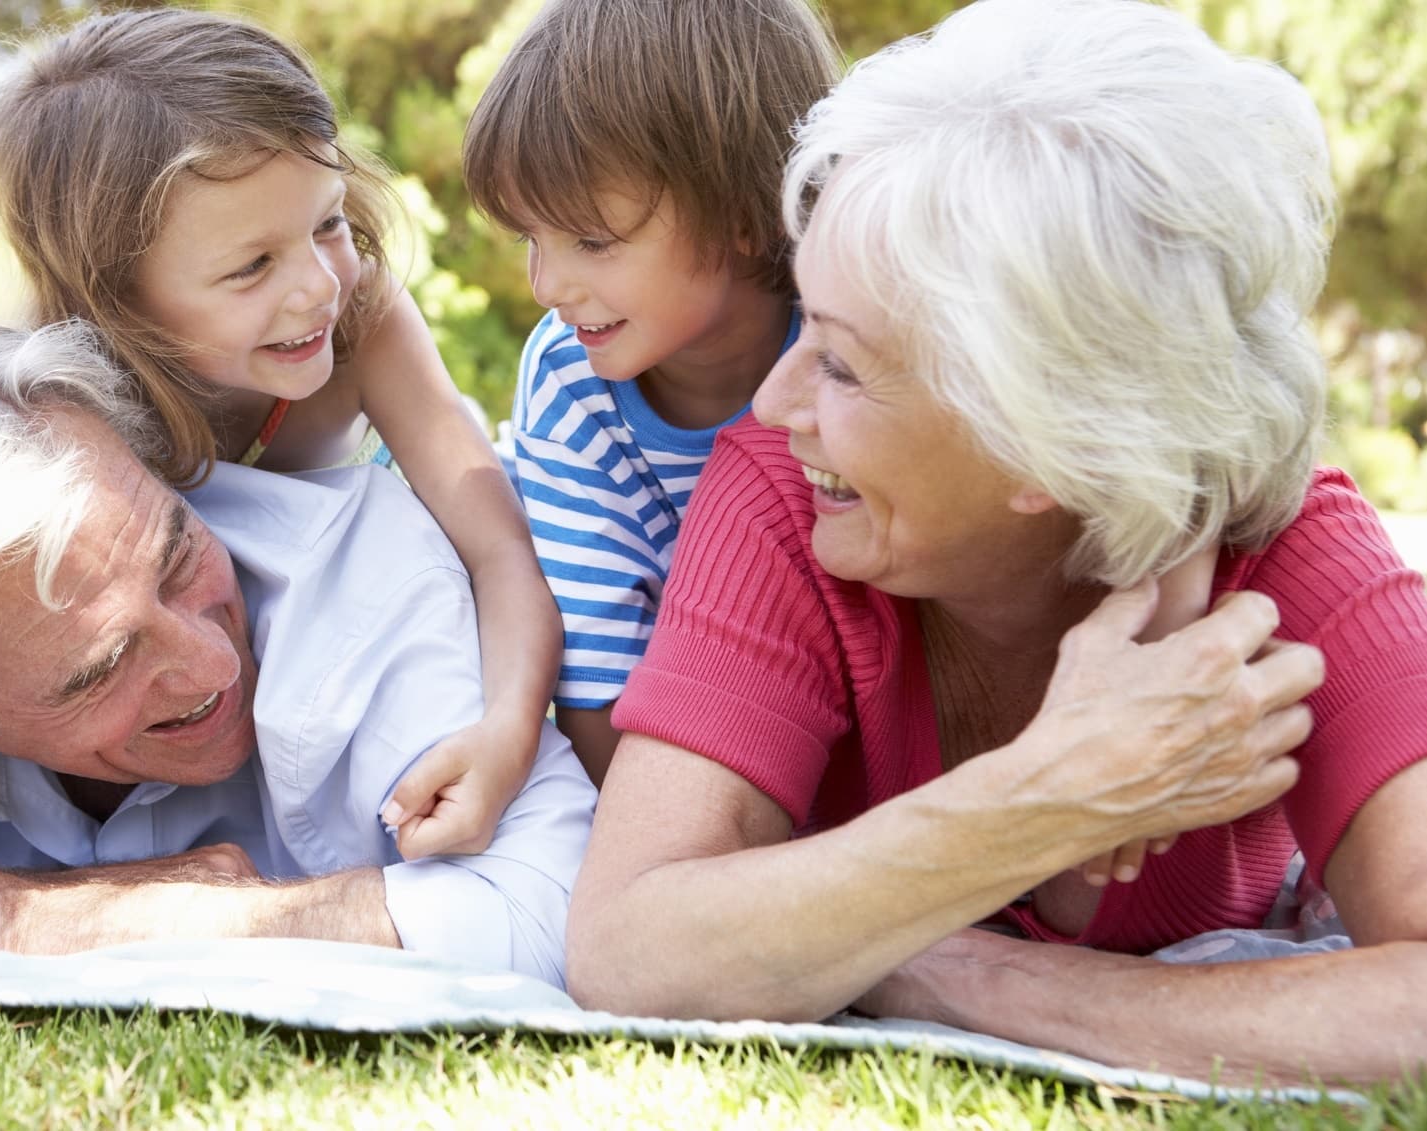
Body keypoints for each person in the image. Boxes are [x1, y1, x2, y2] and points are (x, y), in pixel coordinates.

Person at [566, 0, 1427, 1085]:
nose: (776, 401)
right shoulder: (785, 502)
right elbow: (627, 945)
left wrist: (943, 970)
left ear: (1042, 439)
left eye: (836, 362)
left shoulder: (1293, 556)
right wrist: (1039, 799)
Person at [0, 7, 562, 867]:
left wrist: (506, 730)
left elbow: (498, 547)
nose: (319, 285)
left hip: (372, 636)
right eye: (251, 266)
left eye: (327, 222)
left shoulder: (362, 320)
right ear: (114, 295)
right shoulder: (54, 375)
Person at [0, 319, 595, 988]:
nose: (214, 665)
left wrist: (18, 919)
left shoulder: (371, 582)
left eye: (179, 556)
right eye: (101, 665)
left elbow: (558, 913)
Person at [460, 0, 842, 781]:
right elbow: (599, 684)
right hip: (681, 735)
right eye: (531, 238)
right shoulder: (570, 382)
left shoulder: (847, 337)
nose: (546, 285)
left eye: (592, 241)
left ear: (742, 212)